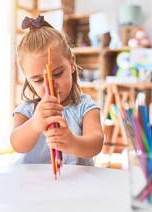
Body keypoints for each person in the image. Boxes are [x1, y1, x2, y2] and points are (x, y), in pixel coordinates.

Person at [10, 15, 104, 166]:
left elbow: (96, 144)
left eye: (57, 74)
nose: (50, 85)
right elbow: (17, 145)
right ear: (28, 79)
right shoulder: (28, 109)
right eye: (38, 80)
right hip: (34, 184)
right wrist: (35, 124)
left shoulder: (85, 106)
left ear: (72, 63)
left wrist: (72, 142)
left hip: (76, 183)